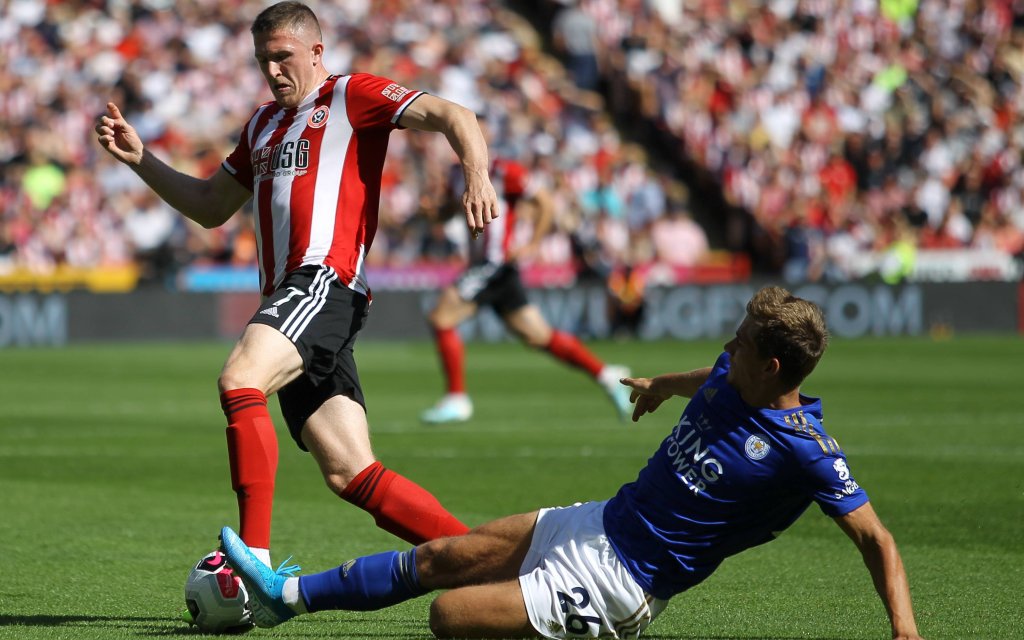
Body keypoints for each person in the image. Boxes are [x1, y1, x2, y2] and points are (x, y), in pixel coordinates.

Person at [220, 286, 924, 640]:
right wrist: (656, 385)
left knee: (447, 617)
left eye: (739, 344)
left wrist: (905, 632)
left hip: (624, 583)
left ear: (773, 368)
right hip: (595, 522)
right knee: (439, 557)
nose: (725, 347)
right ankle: (286, 599)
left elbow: (878, 540)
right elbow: (703, 376)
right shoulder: (733, 372)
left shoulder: (806, 449)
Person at [95, 1, 499, 569]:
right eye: (263, 60)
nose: (273, 71)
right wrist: (143, 161)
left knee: (240, 379)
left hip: (323, 281)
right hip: (289, 297)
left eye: (283, 57)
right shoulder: (260, 123)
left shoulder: (350, 95)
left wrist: (476, 177)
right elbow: (212, 207)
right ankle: (488, 563)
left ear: (316, 52)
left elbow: (457, 115)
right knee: (350, 471)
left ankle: (250, 560)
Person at [421, 151, 632, 424]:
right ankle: (607, 376)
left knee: (442, 316)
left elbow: (545, 202)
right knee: (538, 336)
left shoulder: (504, 171)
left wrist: (533, 243)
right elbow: (451, 210)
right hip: (495, 267)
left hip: (493, 263)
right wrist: (433, 212)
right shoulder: (454, 173)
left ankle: (457, 398)